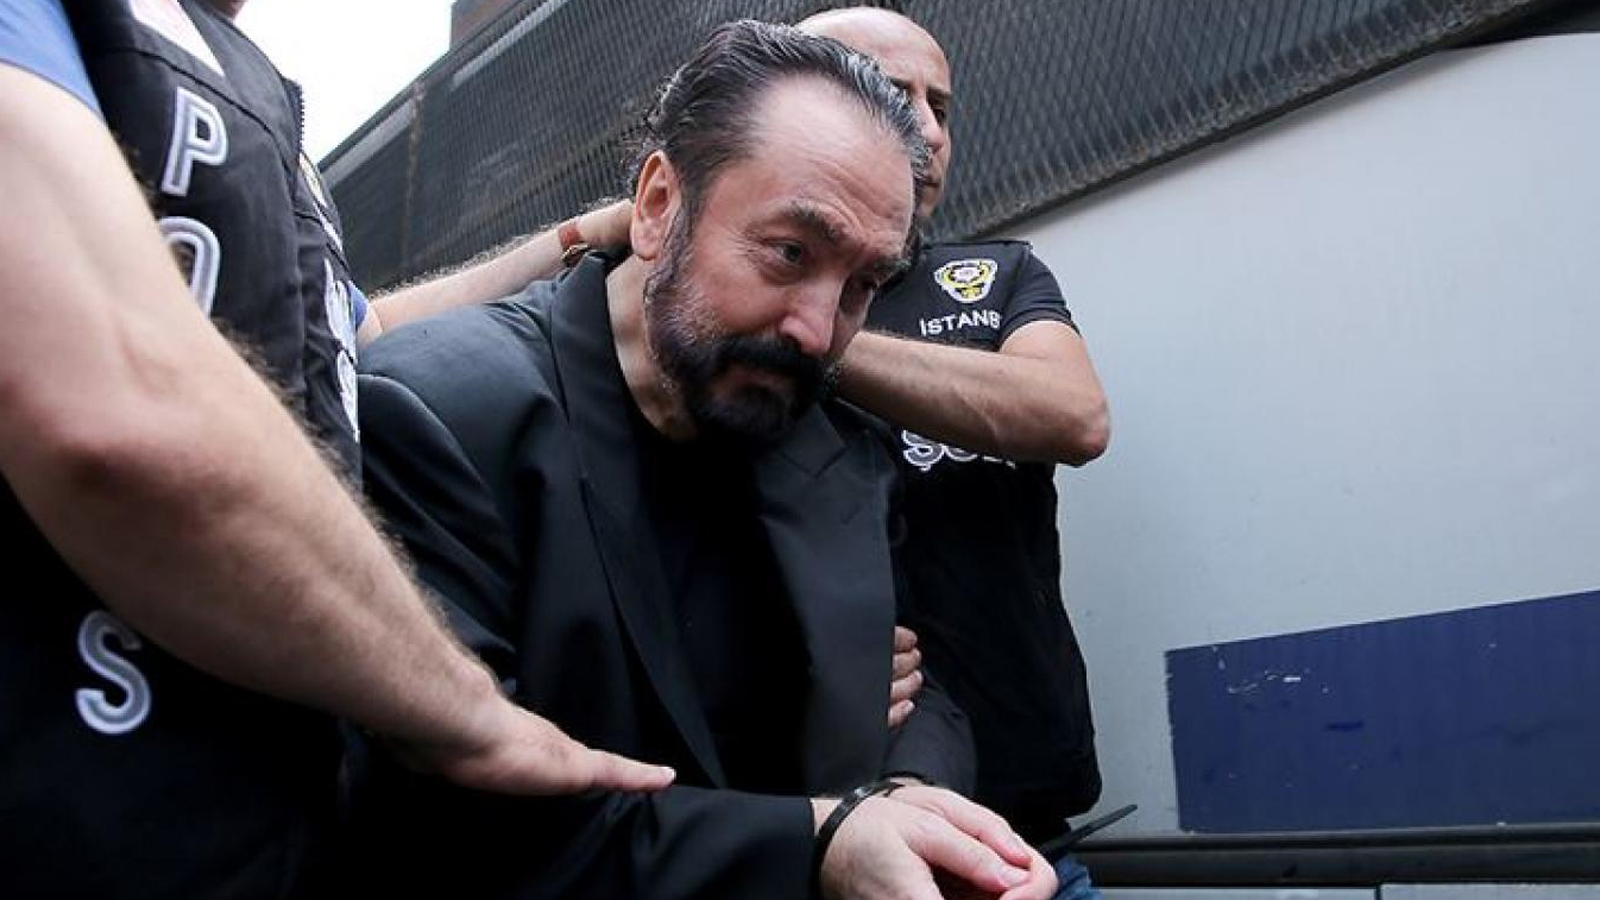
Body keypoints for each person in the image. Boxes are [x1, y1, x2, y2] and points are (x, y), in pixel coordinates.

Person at [355, 20, 1056, 900]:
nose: (818, 331)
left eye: (862, 286)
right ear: (658, 206)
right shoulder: (440, 413)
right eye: (790, 253)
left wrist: (911, 801)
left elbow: (921, 693)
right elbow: (446, 825)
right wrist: (818, 845)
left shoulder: (840, 447)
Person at [0, 1, 669, 897]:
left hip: (249, 802)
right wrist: (465, 708)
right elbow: (116, 404)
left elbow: (358, 335)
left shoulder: (256, 102)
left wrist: (577, 237)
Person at [800, 7, 1113, 895]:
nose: (930, 131)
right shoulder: (721, 316)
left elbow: (1074, 415)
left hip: (1024, 835)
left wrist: (811, 344)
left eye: (940, 106)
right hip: (823, 834)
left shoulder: (997, 276)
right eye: (891, 94)